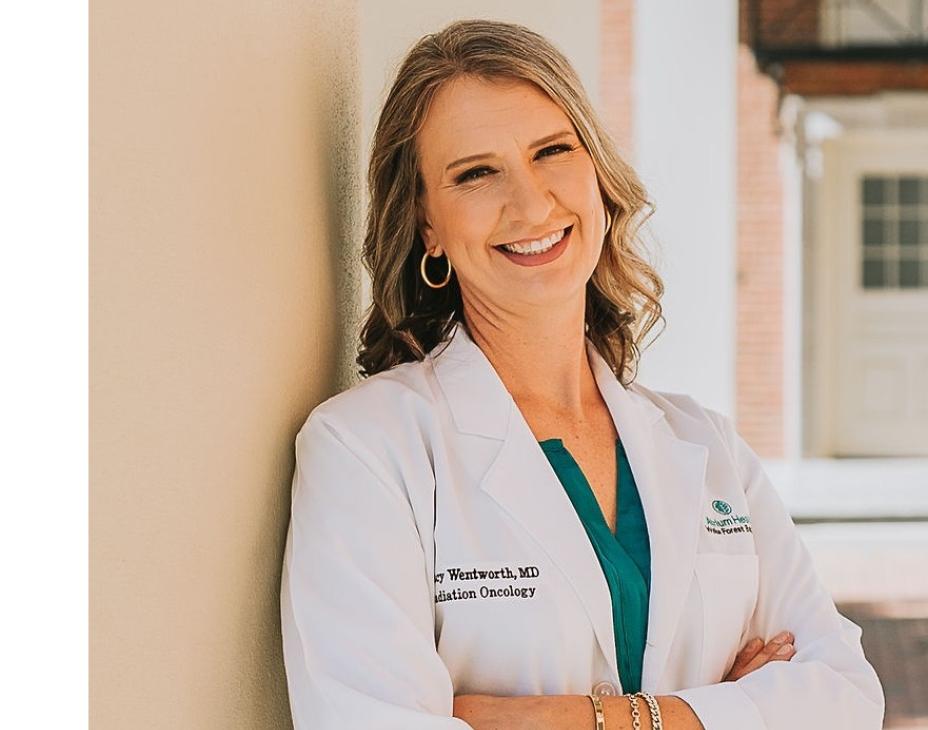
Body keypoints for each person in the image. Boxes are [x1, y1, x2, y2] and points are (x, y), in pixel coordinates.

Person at [279, 18, 885, 730]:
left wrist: (565, 718)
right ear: (427, 224)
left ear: (597, 173)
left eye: (552, 151)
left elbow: (845, 697)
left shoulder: (709, 448)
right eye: (475, 173)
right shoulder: (367, 451)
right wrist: (727, 709)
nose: (531, 203)